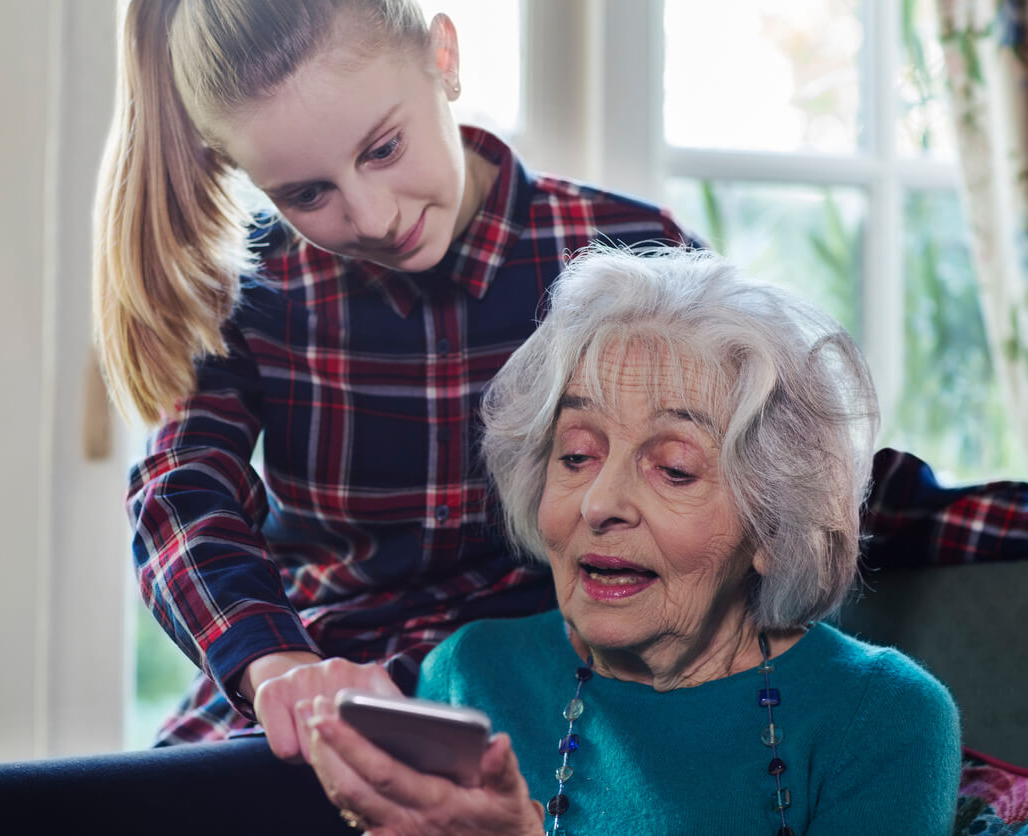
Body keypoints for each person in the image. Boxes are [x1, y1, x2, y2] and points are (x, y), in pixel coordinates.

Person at [0, 0, 1021, 832]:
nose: (368, 213)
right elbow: (180, 498)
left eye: (382, 149)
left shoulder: (612, 257)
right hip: (314, 718)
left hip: (517, 729)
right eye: (307, 192)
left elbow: (774, 466)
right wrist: (277, 666)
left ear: (445, 55)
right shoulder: (258, 289)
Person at [301, 246, 963, 835]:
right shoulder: (468, 677)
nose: (600, 503)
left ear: (773, 523)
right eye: (577, 455)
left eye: (674, 468)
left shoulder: (883, 717)